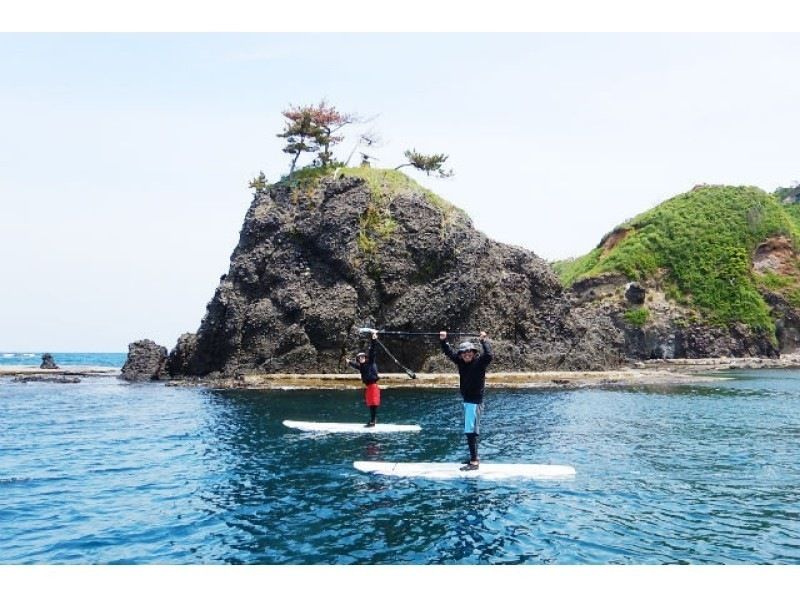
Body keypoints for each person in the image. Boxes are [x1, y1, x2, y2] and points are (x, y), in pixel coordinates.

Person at [440, 330, 493, 471]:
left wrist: (483, 341)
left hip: (475, 402)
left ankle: (474, 461)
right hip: (467, 401)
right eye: (464, 352)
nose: (466, 354)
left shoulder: (480, 363)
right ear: (461, 355)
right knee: (469, 430)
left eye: (469, 352)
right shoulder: (461, 362)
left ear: (474, 352)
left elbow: (489, 355)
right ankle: (473, 457)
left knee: (471, 431)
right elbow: (449, 353)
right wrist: (443, 340)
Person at [345, 331, 381, 427]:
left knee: (373, 404)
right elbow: (356, 366)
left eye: (362, 357)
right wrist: (349, 362)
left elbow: (372, 351)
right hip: (369, 387)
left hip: (373, 386)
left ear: (365, 357)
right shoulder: (361, 366)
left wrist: (374, 339)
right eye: (359, 357)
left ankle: (373, 421)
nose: (361, 358)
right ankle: (372, 420)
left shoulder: (370, 362)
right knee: (370, 404)